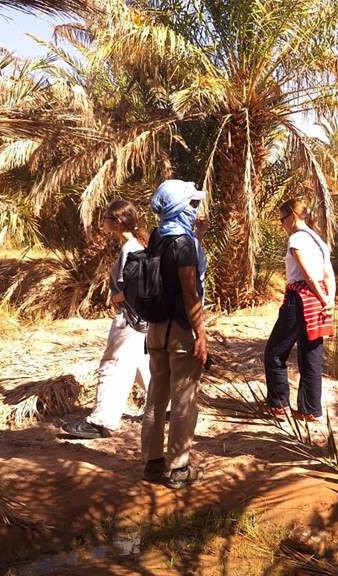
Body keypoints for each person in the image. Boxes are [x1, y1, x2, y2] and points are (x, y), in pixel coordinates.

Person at [62, 200, 151, 439]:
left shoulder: (131, 249)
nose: (102, 222)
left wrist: (118, 298)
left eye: (106, 218)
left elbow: (134, 286)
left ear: (118, 222)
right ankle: (168, 408)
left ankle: (101, 422)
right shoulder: (136, 245)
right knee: (141, 364)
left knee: (113, 366)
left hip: (129, 319)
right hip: (138, 320)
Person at [140, 179, 208, 489]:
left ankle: (152, 463)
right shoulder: (184, 243)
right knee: (183, 399)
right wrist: (201, 335)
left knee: (156, 395)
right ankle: (180, 468)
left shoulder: (158, 236)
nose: (195, 209)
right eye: (191, 204)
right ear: (180, 207)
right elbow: (190, 293)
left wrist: (198, 237)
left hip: (156, 329)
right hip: (181, 331)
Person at [263, 198, 335, 423]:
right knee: (310, 354)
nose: (282, 224)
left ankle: (279, 404)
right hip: (319, 301)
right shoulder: (318, 240)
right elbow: (328, 275)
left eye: (282, 219)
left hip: (301, 299)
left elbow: (308, 275)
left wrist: (322, 297)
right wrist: (328, 300)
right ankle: (310, 409)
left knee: (274, 352)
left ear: (292, 216)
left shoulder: (296, 239)